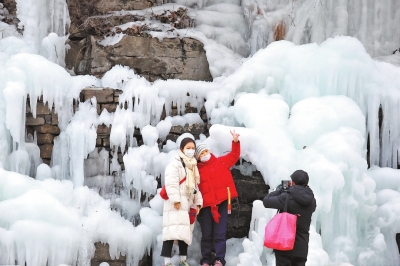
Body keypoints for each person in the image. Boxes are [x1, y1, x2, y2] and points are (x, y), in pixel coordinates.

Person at [194, 130, 241, 266]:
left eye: (205, 152)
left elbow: (234, 156)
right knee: (206, 235)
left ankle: (219, 259)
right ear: (197, 158)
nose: (204, 155)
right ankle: (206, 260)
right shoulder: (196, 171)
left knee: (220, 233)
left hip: (222, 203)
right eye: (201, 154)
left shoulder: (220, 162)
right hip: (205, 207)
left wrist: (235, 142)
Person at [161, 137, 203, 266]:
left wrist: (199, 203)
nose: (190, 151)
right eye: (188, 148)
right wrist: (175, 200)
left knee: (184, 233)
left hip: (187, 204)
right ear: (181, 149)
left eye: (192, 148)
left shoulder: (193, 166)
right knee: (170, 232)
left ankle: (183, 260)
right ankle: (167, 262)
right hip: (175, 203)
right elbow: (171, 183)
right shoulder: (175, 164)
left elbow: (195, 187)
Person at [263, 170, 316, 266]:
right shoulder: (312, 201)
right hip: (302, 249)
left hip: (285, 246)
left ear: (293, 182)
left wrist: (279, 190)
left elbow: (266, 201)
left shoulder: (286, 197)